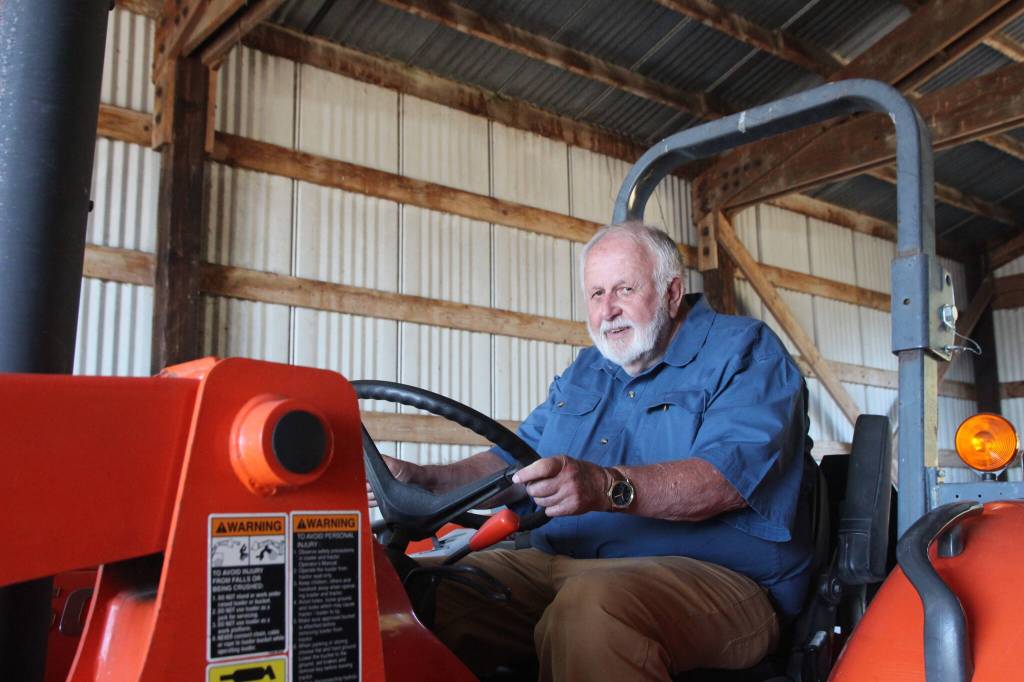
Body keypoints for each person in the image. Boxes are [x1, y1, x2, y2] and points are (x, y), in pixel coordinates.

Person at [372, 221, 814, 681]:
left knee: (593, 610)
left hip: (719, 579)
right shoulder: (588, 369)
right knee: (411, 589)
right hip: (561, 564)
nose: (608, 310)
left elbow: (723, 482)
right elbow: (514, 465)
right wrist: (424, 478)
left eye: (625, 289)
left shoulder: (744, 352)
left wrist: (606, 487)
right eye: (596, 294)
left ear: (671, 292)